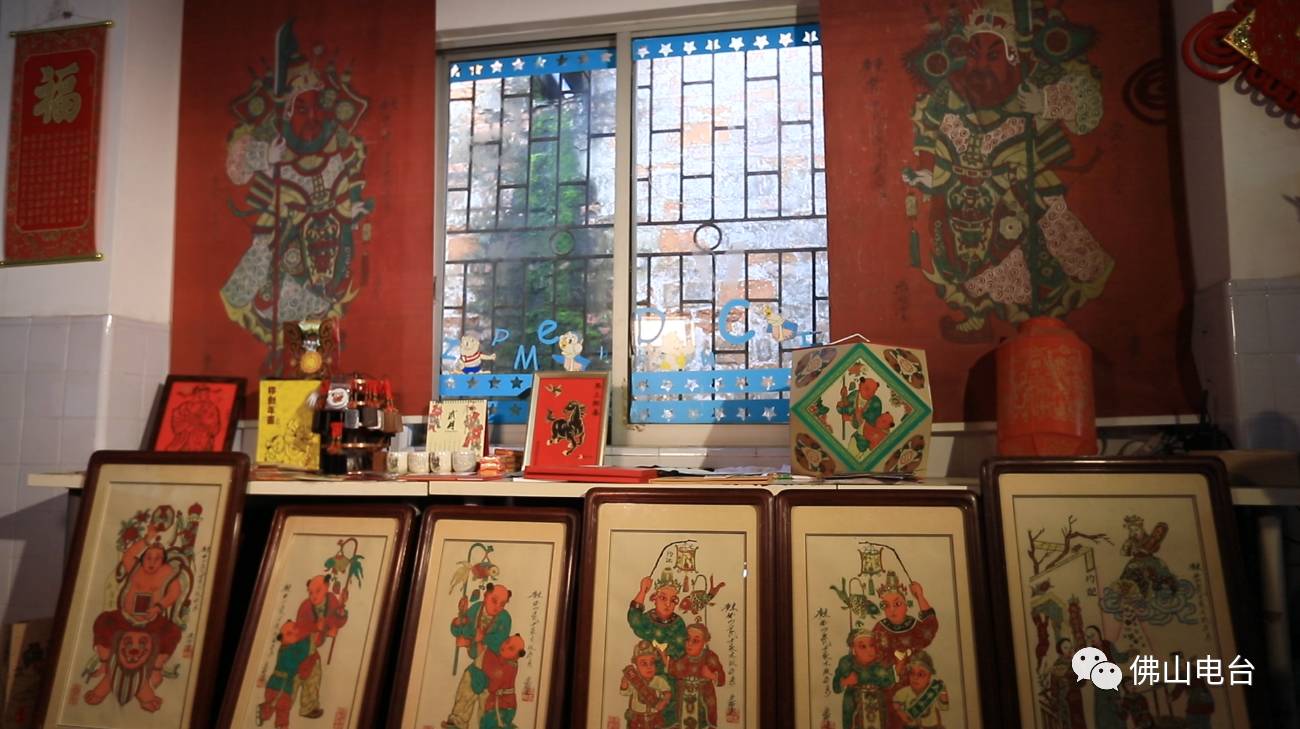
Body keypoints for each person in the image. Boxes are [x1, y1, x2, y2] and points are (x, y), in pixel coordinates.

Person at [901, 4, 1111, 340]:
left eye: (993, 56)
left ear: (1013, 56)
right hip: (965, 198)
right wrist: (932, 178)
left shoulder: (1033, 86)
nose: (981, 66)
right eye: (974, 55)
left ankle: (1048, 327)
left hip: (1023, 193)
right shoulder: (952, 94)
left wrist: (1046, 102)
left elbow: (1089, 109)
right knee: (961, 258)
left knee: (1042, 255)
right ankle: (977, 313)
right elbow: (937, 142)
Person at [86, 524, 184, 711]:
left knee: (172, 632)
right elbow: (128, 555)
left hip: (151, 620)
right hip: (126, 617)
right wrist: (147, 538)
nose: (152, 562)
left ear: (163, 561)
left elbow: (174, 592)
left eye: (157, 558)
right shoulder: (135, 567)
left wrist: (158, 607)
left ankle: (155, 669)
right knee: (103, 621)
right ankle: (106, 664)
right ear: (143, 557)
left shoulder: (168, 573)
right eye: (148, 557)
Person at [444, 583, 512, 729]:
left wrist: (472, 641)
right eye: (494, 601)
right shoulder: (476, 609)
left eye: (502, 604)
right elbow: (462, 630)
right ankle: (458, 721)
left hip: (494, 668)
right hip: (478, 664)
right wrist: (460, 620)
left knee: (486, 702)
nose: (497, 607)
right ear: (485, 595)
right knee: (467, 685)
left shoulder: (505, 618)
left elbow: (498, 642)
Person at [627, 573, 688, 726]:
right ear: (654, 598)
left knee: (666, 717)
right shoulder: (648, 619)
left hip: (668, 677)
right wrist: (643, 590)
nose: (668, 604)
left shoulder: (678, 623)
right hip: (646, 675)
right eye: (663, 598)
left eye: (673, 600)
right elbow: (634, 619)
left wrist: (666, 657)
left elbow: (681, 649)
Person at [291, 574, 349, 720]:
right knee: (295, 677)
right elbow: (299, 629)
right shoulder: (305, 606)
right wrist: (316, 627)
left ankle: (308, 707)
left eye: (318, 591)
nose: (314, 596)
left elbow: (335, 619)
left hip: (313, 647)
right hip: (301, 646)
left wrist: (340, 610)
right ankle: (282, 706)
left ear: (327, 587)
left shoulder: (332, 600)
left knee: (313, 674)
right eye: (310, 592)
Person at [833, 630, 897, 729]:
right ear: (853, 648)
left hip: (878, 707)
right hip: (854, 708)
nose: (869, 650)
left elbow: (890, 683)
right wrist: (846, 681)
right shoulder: (846, 663)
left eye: (872, 645)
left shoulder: (883, 662)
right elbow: (836, 687)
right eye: (862, 647)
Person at [668, 623, 726, 728]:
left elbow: (722, 679)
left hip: (703, 700)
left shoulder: (709, 657)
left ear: (704, 642)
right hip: (684, 700)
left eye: (695, 641)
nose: (689, 644)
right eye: (687, 639)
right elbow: (673, 670)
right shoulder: (683, 657)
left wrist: (711, 675)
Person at [258, 621, 312, 728]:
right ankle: (265, 714)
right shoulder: (289, 649)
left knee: (278, 707)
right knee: (281, 708)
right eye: (289, 633)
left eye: (295, 629)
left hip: (278, 685)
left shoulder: (291, 647)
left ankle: (265, 714)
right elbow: (301, 654)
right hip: (281, 686)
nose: (296, 633)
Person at [621, 640, 672, 729]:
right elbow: (625, 692)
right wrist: (624, 681)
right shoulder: (634, 680)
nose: (649, 667)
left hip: (655, 718)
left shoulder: (658, 681)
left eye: (652, 663)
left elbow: (667, 693)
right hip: (637, 719)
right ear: (636, 665)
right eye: (644, 664)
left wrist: (664, 701)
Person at [478, 634, 526, 729]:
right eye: (507, 642)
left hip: (502, 705)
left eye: (511, 649)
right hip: (507, 704)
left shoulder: (508, 666)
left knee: (488, 725)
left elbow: (495, 684)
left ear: (518, 655)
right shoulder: (508, 661)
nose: (505, 647)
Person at [891, 651, 948, 729]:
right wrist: (901, 713)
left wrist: (943, 691)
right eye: (912, 673)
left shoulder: (933, 690)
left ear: (929, 676)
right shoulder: (905, 692)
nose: (915, 678)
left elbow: (944, 707)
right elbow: (896, 703)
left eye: (920, 674)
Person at [1045, 638, 1085, 729]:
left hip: (1076, 698)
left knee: (1079, 723)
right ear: (1060, 650)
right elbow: (1054, 686)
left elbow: (1082, 682)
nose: (1069, 650)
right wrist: (1054, 699)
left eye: (1070, 647)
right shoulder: (1057, 665)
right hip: (1064, 700)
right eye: (1065, 648)